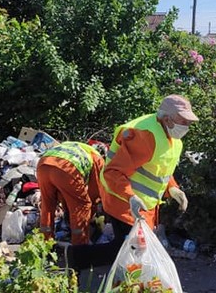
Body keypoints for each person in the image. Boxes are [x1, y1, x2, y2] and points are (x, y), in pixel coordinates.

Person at [67, 94, 198, 270]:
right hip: (123, 201)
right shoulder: (145, 136)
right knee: (131, 248)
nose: (187, 126)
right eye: (184, 121)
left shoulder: (172, 138)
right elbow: (113, 172)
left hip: (141, 204)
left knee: (132, 248)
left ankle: (83, 261)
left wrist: (173, 189)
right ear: (168, 119)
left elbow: (159, 169)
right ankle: (76, 258)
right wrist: (130, 197)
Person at [36, 141, 106, 245]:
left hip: (43, 164)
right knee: (82, 206)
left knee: (47, 204)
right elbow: (94, 194)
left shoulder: (76, 147)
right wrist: (91, 215)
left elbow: (63, 192)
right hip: (66, 168)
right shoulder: (98, 158)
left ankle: (46, 243)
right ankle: (79, 247)